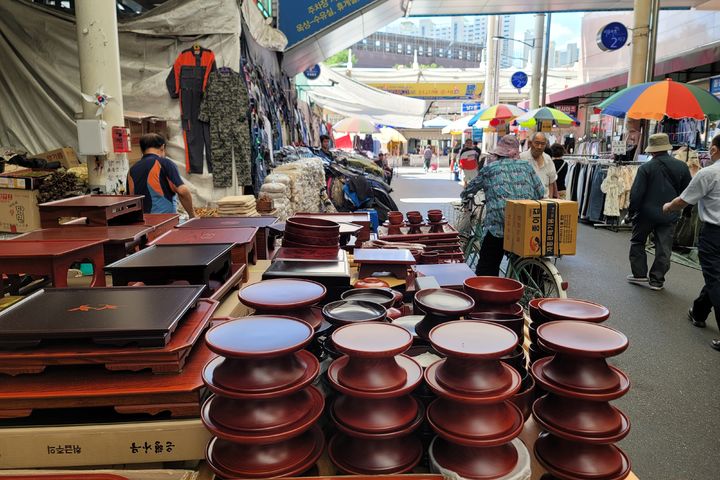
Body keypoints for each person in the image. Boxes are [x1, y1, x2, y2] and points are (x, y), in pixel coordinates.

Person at [663, 134, 720, 350]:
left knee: (715, 278)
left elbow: (684, 200)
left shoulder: (709, 173)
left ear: (714, 149)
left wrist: (668, 207)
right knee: (716, 275)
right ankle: (698, 311)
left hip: (714, 232)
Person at [466, 135, 545, 276]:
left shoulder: (490, 168)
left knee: (487, 267)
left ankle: (488, 293)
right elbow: (541, 191)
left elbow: (470, 188)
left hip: (499, 227)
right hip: (526, 224)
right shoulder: (526, 166)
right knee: (528, 265)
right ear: (516, 151)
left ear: (498, 152)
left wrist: (465, 196)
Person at [627, 133, 691, 290]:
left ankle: (640, 274)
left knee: (638, 242)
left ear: (651, 150)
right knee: (664, 247)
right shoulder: (682, 166)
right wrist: (686, 211)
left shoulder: (645, 168)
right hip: (669, 213)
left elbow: (637, 193)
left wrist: (631, 212)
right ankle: (657, 280)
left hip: (645, 214)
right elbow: (689, 192)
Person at [128, 133, 195, 217]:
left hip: (140, 224)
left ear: (142, 150)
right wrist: (192, 215)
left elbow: (129, 200)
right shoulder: (165, 163)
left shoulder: (132, 169)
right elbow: (183, 191)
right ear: (162, 147)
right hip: (164, 222)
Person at [520, 132, 558, 198]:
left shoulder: (548, 159)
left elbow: (551, 183)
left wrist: (550, 200)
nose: (539, 147)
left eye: (543, 144)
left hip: (545, 201)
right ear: (530, 143)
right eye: (537, 143)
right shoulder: (522, 158)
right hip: (526, 201)